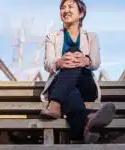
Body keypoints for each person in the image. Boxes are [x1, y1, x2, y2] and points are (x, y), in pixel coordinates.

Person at [40, 0, 115, 143]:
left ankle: (55, 103)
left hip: (85, 83)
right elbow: (47, 64)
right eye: (63, 7)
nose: (66, 10)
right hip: (62, 84)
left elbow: (96, 62)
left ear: (81, 13)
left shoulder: (91, 36)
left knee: (74, 52)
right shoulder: (52, 37)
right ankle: (86, 123)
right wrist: (59, 62)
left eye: (70, 6)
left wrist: (86, 60)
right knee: (71, 93)